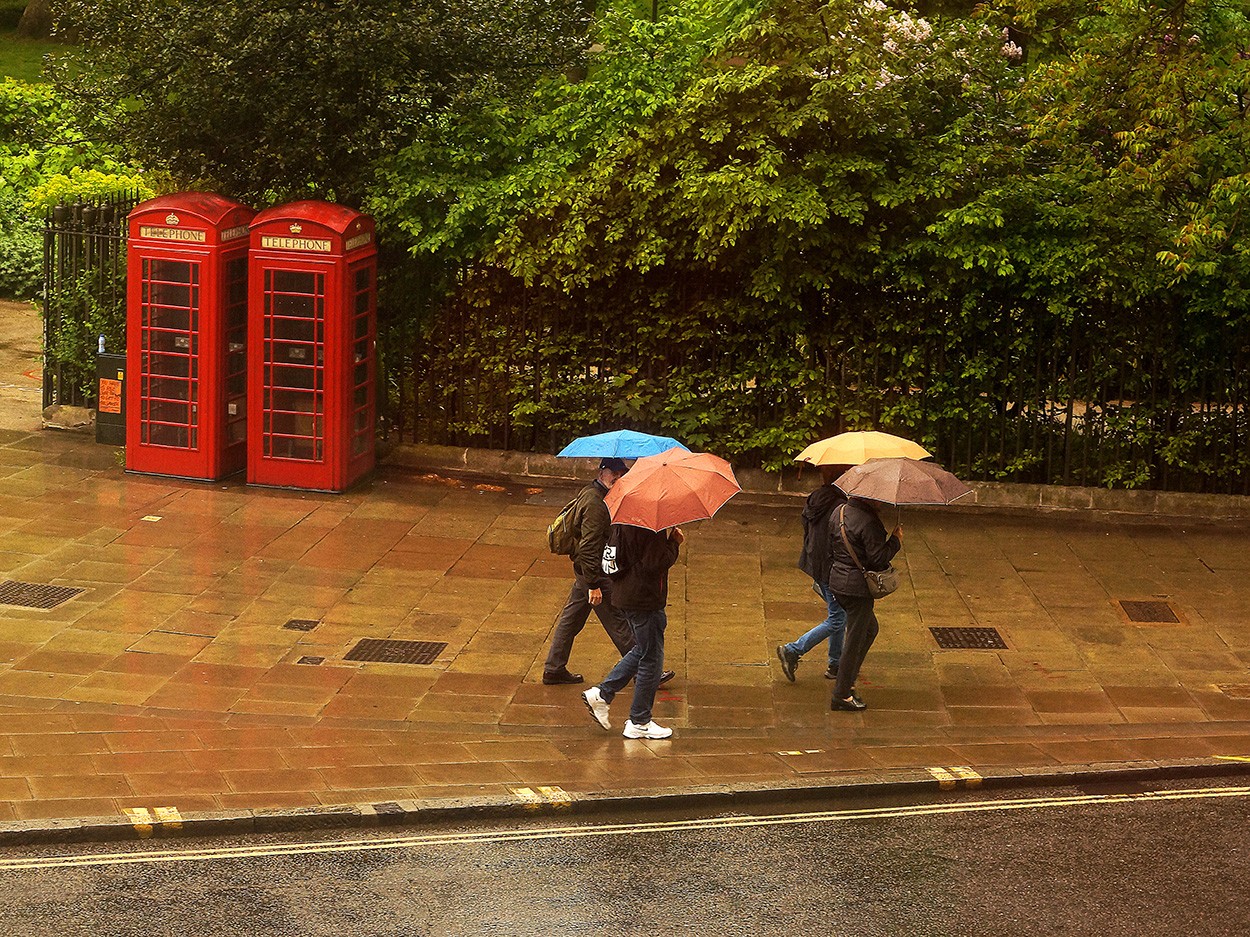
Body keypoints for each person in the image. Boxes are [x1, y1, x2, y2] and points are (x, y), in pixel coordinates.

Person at [543, 458, 674, 687]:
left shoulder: (596, 493)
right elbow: (589, 546)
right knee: (619, 622)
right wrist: (593, 583)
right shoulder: (596, 503)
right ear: (602, 472)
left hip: (589, 570)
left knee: (571, 620)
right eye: (614, 472)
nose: (619, 477)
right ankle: (644, 670)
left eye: (622, 472)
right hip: (595, 572)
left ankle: (554, 668)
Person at [581, 524, 683, 739]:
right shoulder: (650, 528)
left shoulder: (623, 522)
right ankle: (639, 720)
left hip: (626, 595)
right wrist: (673, 543)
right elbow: (655, 563)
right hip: (644, 600)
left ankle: (603, 693)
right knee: (651, 658)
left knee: (642, 650)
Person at [777, 464, 850, 683]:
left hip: (815, 563)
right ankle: (793, 650)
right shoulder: (840, 505)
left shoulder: (816, 498)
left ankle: (836, 664)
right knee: (838, 619)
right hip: (831, 568)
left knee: (838, 613)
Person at [825, 497, 901, 711]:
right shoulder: (869, 521)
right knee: (855, 640)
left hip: (837, 582)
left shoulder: (838, 511)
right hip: (857, 589)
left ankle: (847, 676)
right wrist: (895, 540)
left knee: (870, 630)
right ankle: (842, 693)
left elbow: (829, 545)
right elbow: (878, 558)